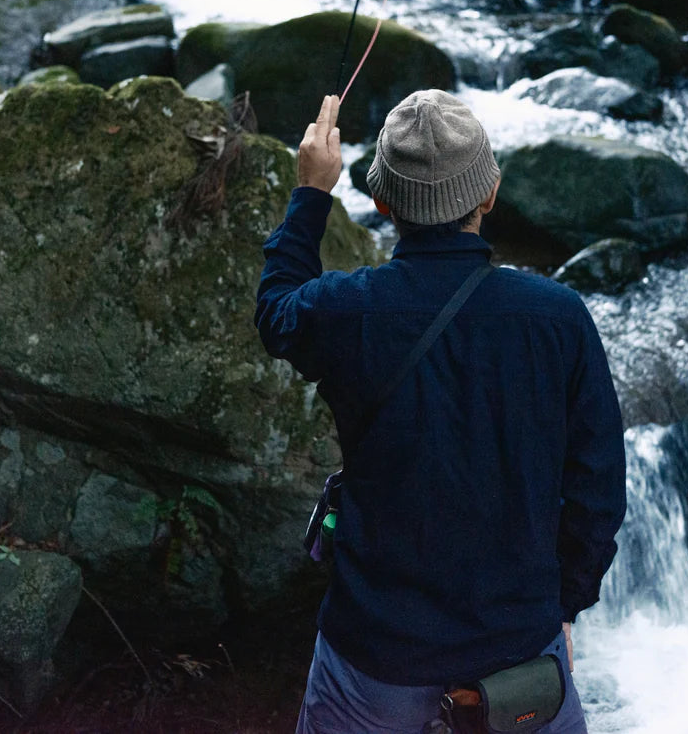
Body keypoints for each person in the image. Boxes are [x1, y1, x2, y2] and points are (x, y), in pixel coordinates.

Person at [255, 90, 627, 734]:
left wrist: (312, 193)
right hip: (520, 674)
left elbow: (276, 310)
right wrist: (564, 609)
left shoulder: (346, 311)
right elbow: (598, 493)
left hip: (371, 671)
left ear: (382, 204)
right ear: (490, 193)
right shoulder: (558, 317)